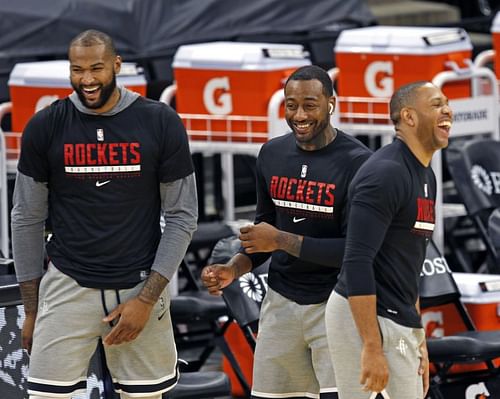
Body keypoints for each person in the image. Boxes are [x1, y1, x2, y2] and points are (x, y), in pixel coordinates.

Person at [11, 29, 198, 399]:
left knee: (144, 395)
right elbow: (26, 218)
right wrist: (30, 310)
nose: (87, 79)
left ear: (116, 65)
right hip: (66, 284)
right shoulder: (45, 126)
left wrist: (146, 300)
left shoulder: (160, 121)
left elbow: (182, 215)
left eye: (96, 68)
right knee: (46, 395)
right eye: (77, 69)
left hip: (139, 283)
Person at [201, 65, 372, 399]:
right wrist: (234, 268)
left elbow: (356, 251)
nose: (299, 115)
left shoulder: (359, 163)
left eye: (310, 105)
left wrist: (281, 240)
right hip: (281, 300)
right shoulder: (272, 154)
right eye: (291, 105)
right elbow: (264, 233)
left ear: (331, 103)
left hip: (336, 303)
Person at [325, 81, 453, 399]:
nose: (448, 110)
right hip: (366, 317)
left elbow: (408, 262)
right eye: (437, 104)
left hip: (397, 315)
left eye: (447, 103)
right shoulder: (385, 174)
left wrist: (417, 334)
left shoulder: (427, 175)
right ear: (409, 117)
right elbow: (356, 262)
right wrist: (370, 346)